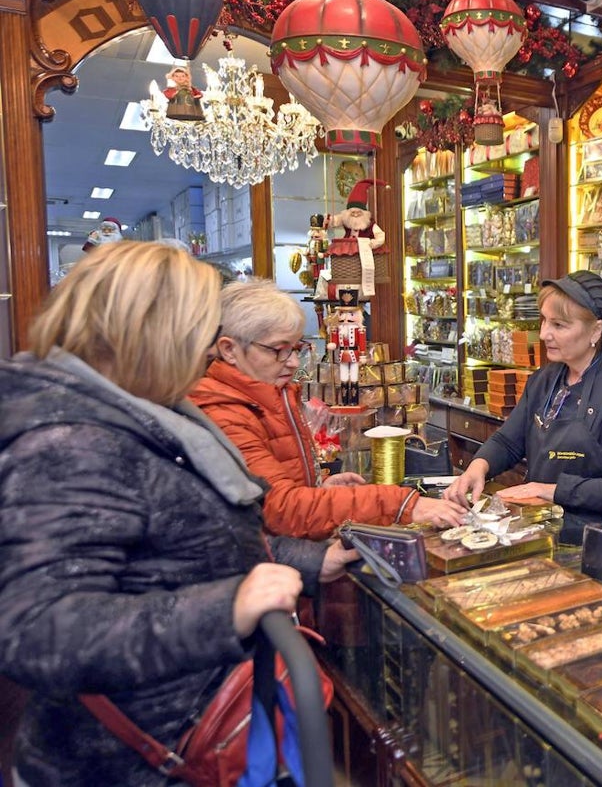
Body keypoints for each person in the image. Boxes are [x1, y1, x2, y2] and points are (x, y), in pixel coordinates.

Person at [0, 242, 358, 785]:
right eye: (199, 331)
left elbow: (195, 542)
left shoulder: (145, 412)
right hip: (130, 761)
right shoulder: (69, 439)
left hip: (189, 736)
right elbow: (37, 630)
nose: (209, 351)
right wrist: (225, 609)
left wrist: (310, 562)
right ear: (149, 331)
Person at [190, 278, 466, 541]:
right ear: (229, 350)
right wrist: (401, 503)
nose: (293, 362)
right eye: (278, 350)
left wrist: (317, 488)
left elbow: (279, 486)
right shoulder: (224, 414)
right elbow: (281, 508)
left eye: (297, 348)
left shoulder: (270, 396)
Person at [444, 271, 602, 544]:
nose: (543, 334)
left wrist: (553, 491)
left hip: (599, 542)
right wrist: (478, 467)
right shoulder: (546, 378)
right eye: (544, 321)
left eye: (559, 325)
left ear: (596, 331)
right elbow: (508, 441)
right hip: (544, 532)